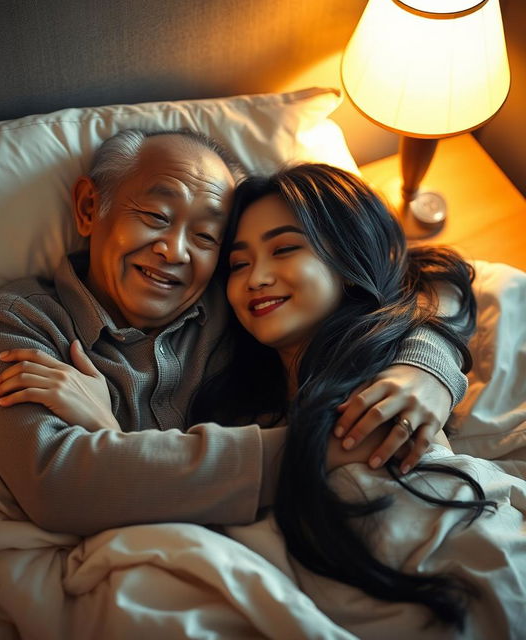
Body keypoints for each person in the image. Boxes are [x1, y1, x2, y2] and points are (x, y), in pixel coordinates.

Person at [0, 129, 470, 537]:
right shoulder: (18, 321)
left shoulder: (234, 297)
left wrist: (426, 370)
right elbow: (57, 486)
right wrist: (312, 450)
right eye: (156, 217)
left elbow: (419, 280)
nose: (176, 251)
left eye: (207, 237)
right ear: (86, 208)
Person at [194, 162, 497, 630]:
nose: (256, 278)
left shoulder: (392, 354)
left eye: (285, 249)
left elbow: (437, 273)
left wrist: (429, 368)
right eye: (239, 263)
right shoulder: (240, 408)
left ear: (347, 258)